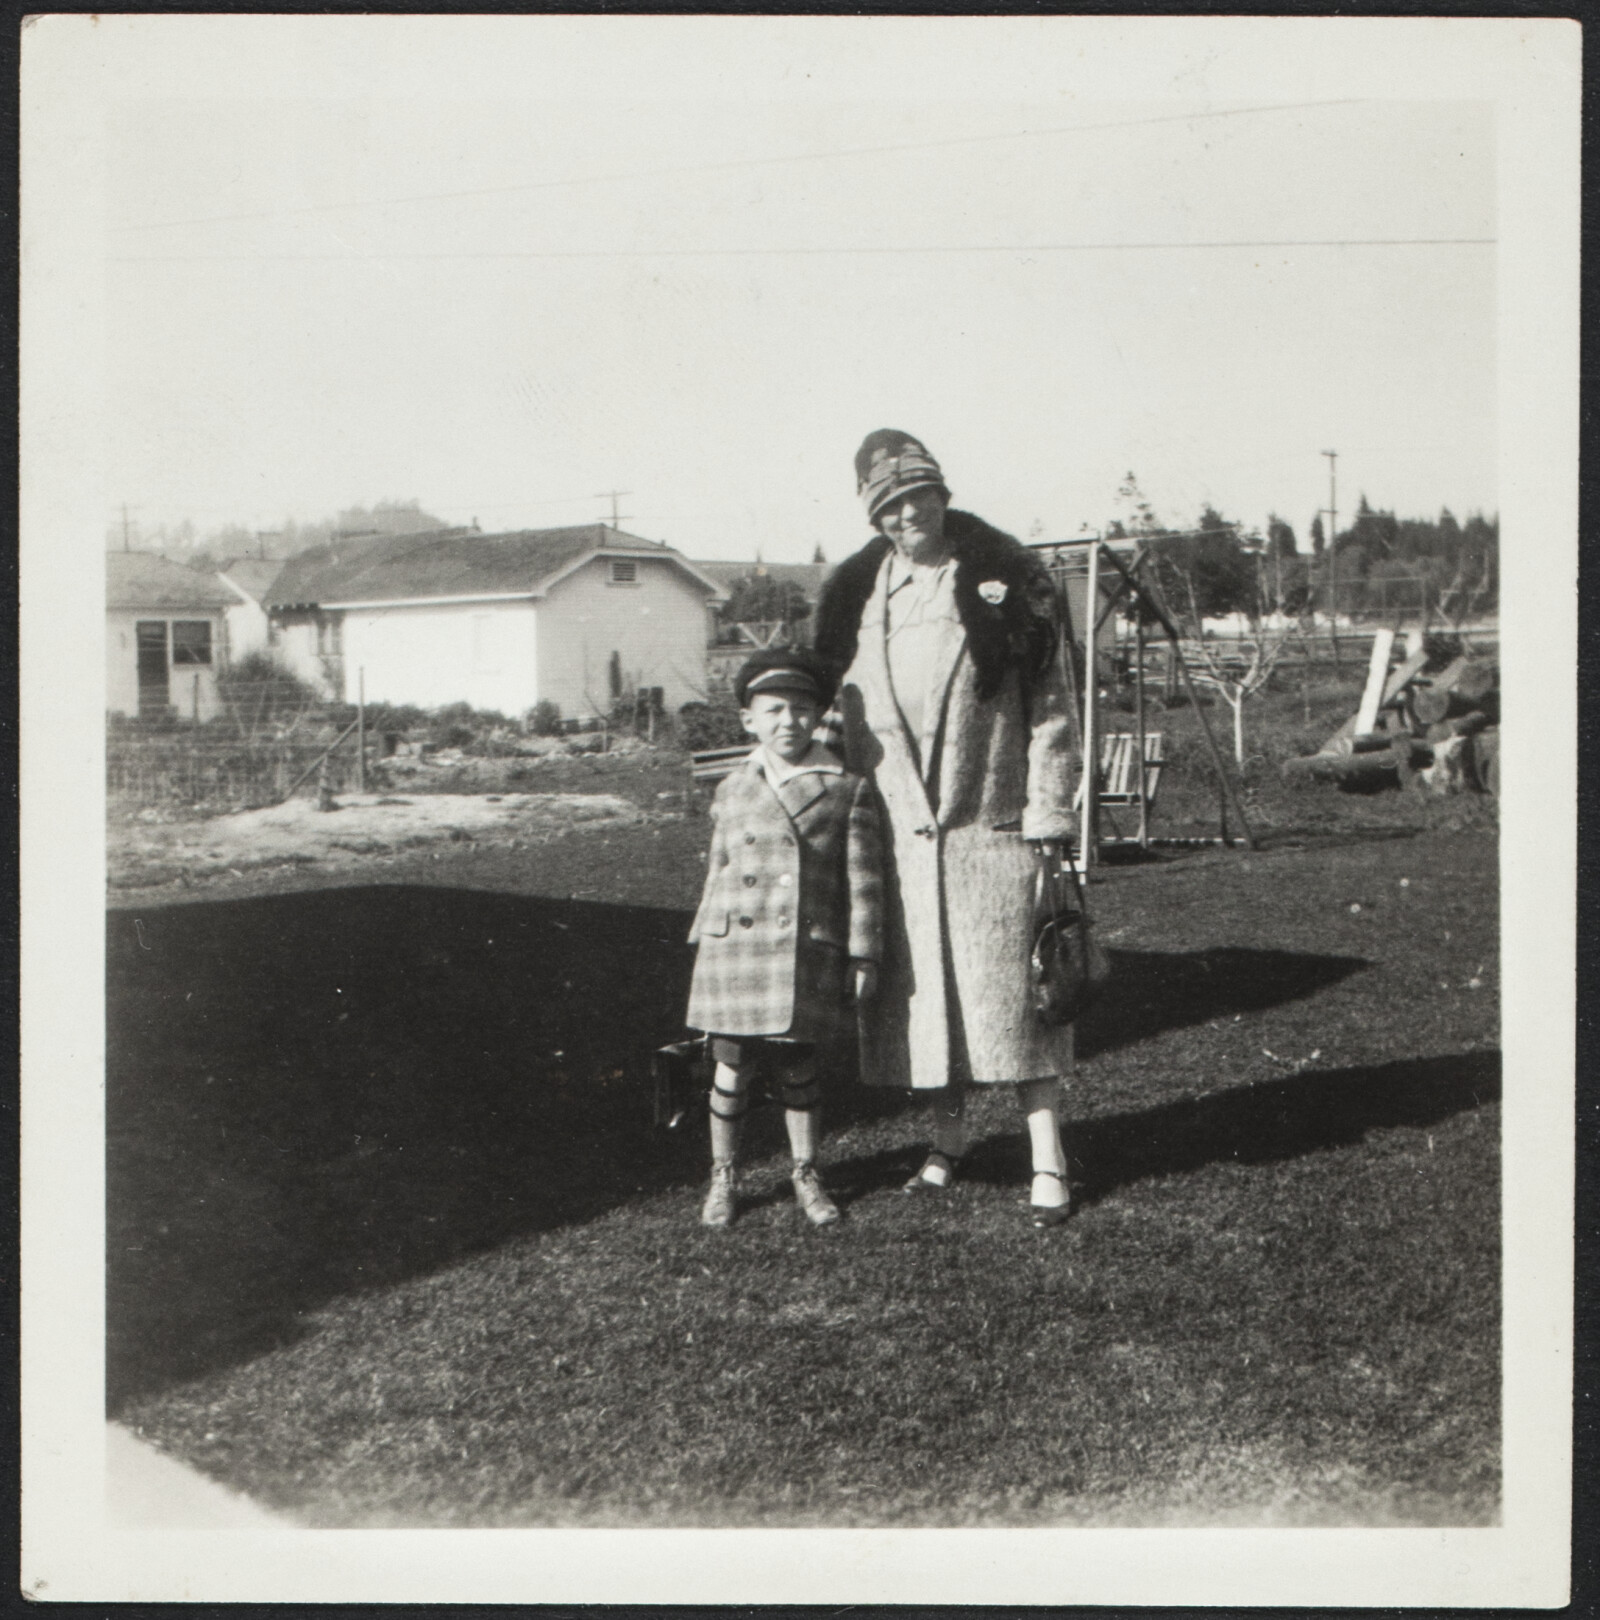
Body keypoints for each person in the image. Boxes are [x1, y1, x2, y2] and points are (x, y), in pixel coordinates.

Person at [813, 429, 1081, 1227]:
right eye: (888, 506)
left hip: (990, 834)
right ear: (874, 517)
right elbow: (835, 717)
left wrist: (1049, 818)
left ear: (943, 494)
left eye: (918, 497)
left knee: (1022, 1003)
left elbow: (1055, 715)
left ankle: (1048, 1161)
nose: (907, 516)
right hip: (897, 841)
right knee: (924, 1005)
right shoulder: (857, 604)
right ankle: (949, 1140)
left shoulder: (1004, 585)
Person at [684, 648, 883, 1228]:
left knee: (797, 1065)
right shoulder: (732, 787)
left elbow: (864, 881)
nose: (788, 722)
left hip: (802, 947)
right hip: (734, 950)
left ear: (818, 716)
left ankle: (806, 1171)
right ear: (750, 720)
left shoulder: (846, 788)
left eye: (801, 710)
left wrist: (864, 951)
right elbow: (717, 867)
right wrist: (705, 934)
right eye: (773, 710)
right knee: (732, 1065)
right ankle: (723, 1176)